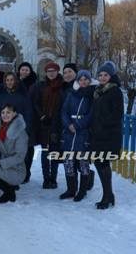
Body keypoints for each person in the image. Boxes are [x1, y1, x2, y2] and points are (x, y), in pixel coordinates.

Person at [90, 61, 124, 209]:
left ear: (111, 76)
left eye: (106, 75)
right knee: (100, 163)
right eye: (100, 75)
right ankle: (108, 195)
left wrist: (102, 124)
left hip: (109, 134)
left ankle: (107, 196)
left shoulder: (115, 91)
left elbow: (117, 114)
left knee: (103, 164)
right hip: (98, 134)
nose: (103, 77)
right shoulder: (99, 90)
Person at [0, 72, 33, 181]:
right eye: (7, 80)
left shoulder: (22, 95)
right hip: (2, 128)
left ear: (16, 81)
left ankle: (17, 177)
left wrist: (25, 128)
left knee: (16, 154)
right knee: (0, 151)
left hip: (17, 129)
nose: (9, 82)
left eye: (12, 80)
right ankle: (1, 178)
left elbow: (27, 111)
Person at [59, 70, 95, 201]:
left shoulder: (93, 95)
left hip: (83, 132)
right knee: (68, 161)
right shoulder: (71, 94)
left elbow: (92, 114)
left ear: (90, 81)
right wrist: (68, 124)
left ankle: (82, 190)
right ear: (77, 81)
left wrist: (78, 125)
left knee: (83, 163)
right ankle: (71, 189)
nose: (83, 82)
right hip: (69, 132)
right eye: (81, 79)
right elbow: (64, 111)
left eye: (86, 79)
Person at [30, 61, 65, 189]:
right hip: (44, 123)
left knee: (54, 151)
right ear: (46, 72)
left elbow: (64, 105)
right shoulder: (40, 86)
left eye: (53, 71)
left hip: (57, 124)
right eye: (49, 71)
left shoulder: (62, 86)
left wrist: (56, 119)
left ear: (57, 72)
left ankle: (53, 178)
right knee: (45, 151)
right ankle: (46, 179)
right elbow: (36, 102)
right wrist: (42, 116)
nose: (51, 73)